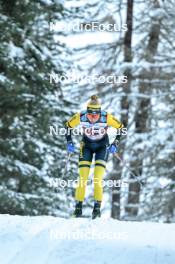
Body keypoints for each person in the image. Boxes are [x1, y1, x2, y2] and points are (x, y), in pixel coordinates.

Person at [65, 95, 124, 219]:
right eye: (90, 115)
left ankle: (96, 210)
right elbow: (68, 126)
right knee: (82, 178)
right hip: (86, 146)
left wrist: (115, 143)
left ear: (99, 113)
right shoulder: (81, 116)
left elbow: (121, 128)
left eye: (95, 115)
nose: (92, 118)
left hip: (102, 146)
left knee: (97, 178)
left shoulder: (106, 117)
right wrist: (69, 142)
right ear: (87, 112)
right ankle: (77, 209)